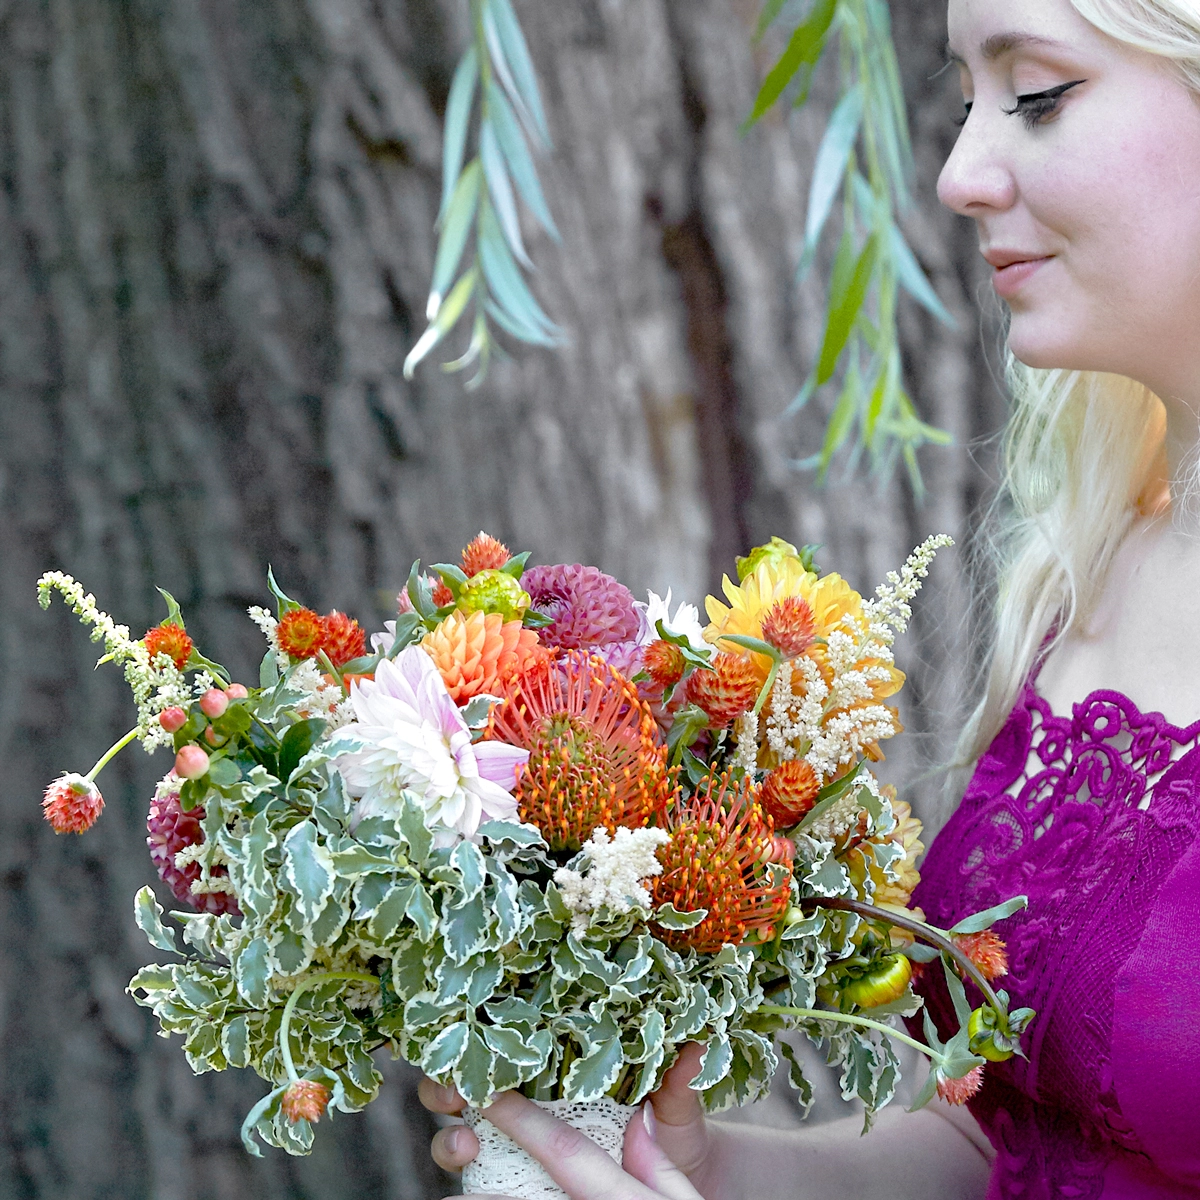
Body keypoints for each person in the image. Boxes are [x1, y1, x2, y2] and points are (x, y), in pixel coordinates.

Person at [420, 0, 1200, 1193]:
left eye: (1038, 95)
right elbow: (1001, 1142)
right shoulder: (1095, 569)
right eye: (965, 102)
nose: (958, 175)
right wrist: (703, 1170)